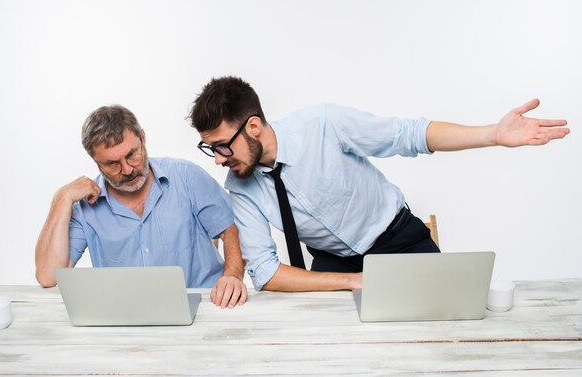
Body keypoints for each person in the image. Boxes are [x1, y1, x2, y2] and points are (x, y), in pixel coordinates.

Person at [188, 76, 570, 292]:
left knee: (448, 323)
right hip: (334, 264)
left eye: (223, 145)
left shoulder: (323, 125)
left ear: (253, 125)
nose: (220, 159)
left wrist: (492, 134)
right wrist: (353, 281)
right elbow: (267, 273)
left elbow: (410, 136)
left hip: (399, 239)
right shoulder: (240, 185)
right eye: (211, 149)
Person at [35, 105, 247, 308]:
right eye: (112, 163)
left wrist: (232, 275)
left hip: (205, 306)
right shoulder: (85, 207)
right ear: (95, 161)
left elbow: (231, 229)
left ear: (143, 139)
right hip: (128, 318)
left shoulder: (186, 177)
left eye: (131, 155)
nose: (127, 170)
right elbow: (48, 277)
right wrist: (61, 199)